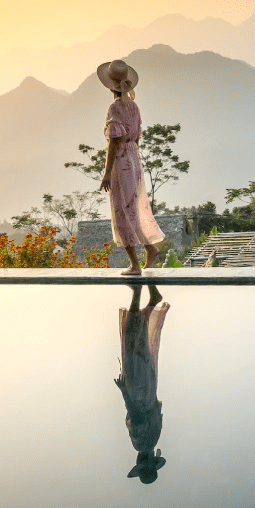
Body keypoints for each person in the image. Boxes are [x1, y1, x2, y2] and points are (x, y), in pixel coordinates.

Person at [97, 59, 165, 275]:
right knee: (132, 209)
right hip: (134, 161)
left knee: (123, 212)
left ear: (110, 86)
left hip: (122, 162)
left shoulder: (115, 108)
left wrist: (107, 173)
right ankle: (148, 248)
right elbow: (136, 139)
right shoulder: (134, 107)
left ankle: (136, 262)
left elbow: (114, 143)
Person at [114, 283, 169, 484]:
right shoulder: (141, 443)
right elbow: (136, 416)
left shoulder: (155, 438)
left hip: (148, 386)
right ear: (142, 461)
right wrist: (123, 391)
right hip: (137, 391)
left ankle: (150, 300)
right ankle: (137, 292)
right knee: (132, 339)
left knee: (140, 342)